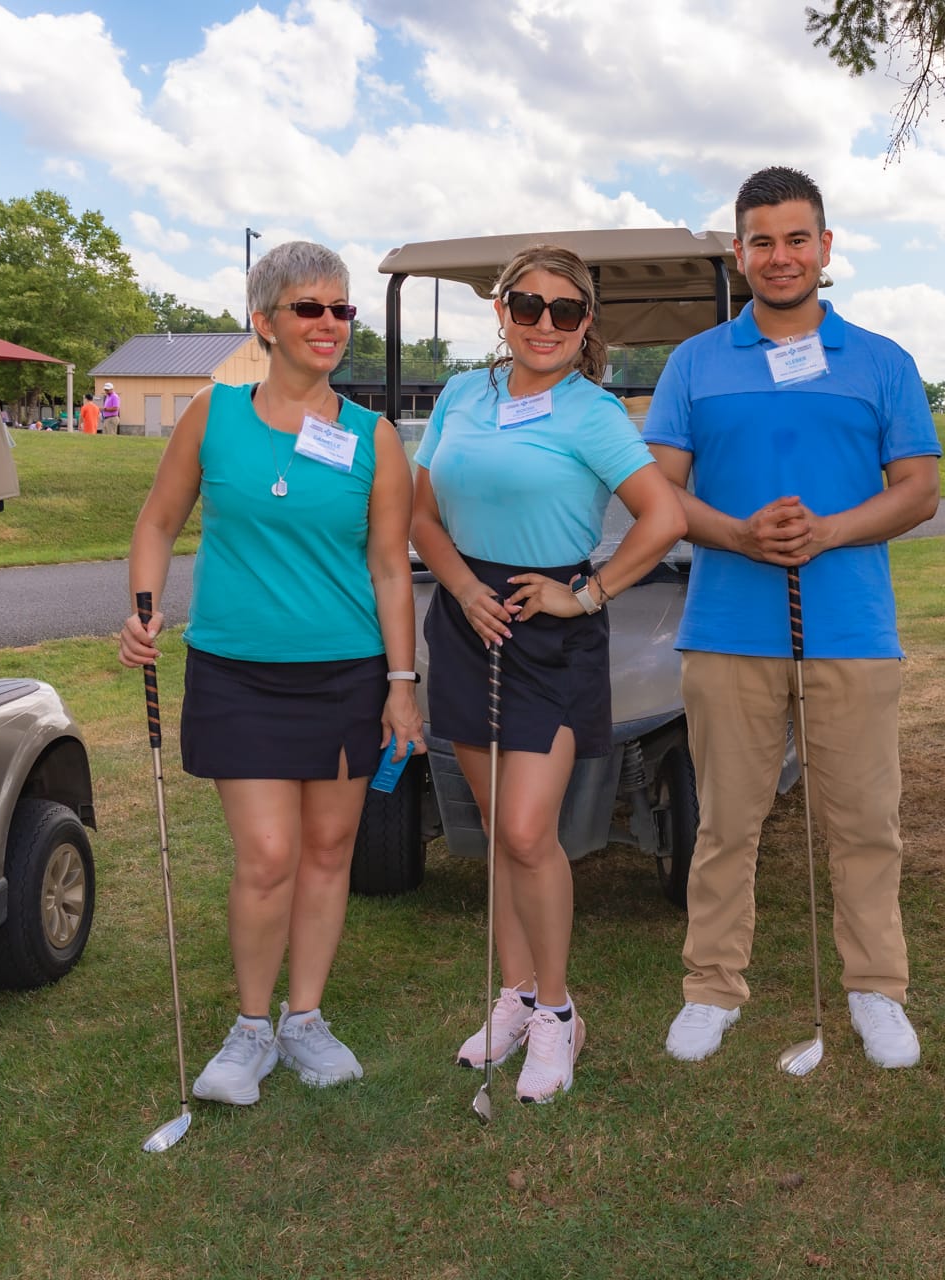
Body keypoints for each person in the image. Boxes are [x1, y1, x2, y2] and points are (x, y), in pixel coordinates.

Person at [645, 166, 941, 1069]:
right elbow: (656, 489)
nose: (781, 257)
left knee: (864, 823)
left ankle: (875, 990)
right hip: (727, 630)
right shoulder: (695, 361)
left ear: (826, 247)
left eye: (797, 238)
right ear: (740, 254)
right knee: (726, 823)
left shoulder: (881, 361)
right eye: (763, 241)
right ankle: (711, 986)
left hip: (851, 629)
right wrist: (735, 533)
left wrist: (831, 530)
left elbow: (921, 489)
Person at [119, 240, 422, 1107]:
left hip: (347, 672)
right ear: (265, 322)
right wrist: (144, 606)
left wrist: (402, 682)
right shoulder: (211, 416)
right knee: (268, 855)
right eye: (309, 309)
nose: (329, 324)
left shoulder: (374, 437)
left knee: (329, 852)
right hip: (237, 673)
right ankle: (251, 1028)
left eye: (341, 310)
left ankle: (305, 1019)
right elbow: (157, 522)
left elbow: (391, 566)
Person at [410, 245, 684, 1105]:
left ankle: (560, 1012)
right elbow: (421, 510)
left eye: (565, 312)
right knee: (499, 836)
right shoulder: (462, 393)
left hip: (547, 627)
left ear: (585, 327)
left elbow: (662, 514)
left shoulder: (593, 412)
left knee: (531, 833)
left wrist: (589, 591)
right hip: (465, 614)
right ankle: (518, 995)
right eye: (527, 305)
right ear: (502, 310)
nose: (543, 324)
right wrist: (458, 587)